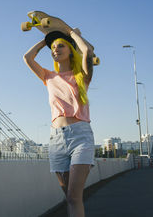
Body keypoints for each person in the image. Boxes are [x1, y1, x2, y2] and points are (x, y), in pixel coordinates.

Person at [23, 30, 95, 217]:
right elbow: (27, 57)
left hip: (80, 137)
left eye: (60, 45)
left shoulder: (82, 76)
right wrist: (46, 41)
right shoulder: (48, 77)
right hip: (56, 140)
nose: (56, 50)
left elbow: (87, 51)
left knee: (74, 197)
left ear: (71, 50)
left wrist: (72, 34)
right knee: (70, 198)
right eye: (53, 48)